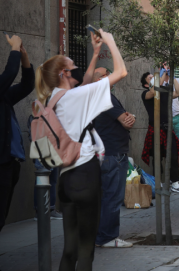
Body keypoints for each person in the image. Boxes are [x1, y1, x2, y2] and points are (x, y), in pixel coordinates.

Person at [34, 29, 127, 270]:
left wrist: (95, 53)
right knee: (86, 253)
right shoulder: (75, 98)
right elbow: (121, 72)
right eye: (72, 65)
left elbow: (84, 83)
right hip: (85, 175)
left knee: (69, 251)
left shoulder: (53, 98)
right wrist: (110, 41)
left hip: (65, 181)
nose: (76, 68)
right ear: (64, 73)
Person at [89, 67, 135, 248]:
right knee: (113, 197)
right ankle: (107, 237)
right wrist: (129, 117)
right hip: (113, 153)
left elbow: (127, 120)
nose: (109, 75)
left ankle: (102, 235)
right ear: (100, 79)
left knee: (107, 196)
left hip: (108, 153)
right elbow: (126, 121)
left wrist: (128, 118)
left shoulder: (97, 96)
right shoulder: (104, 96)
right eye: (105, 73)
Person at [0, 34, 34, 233]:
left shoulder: (4, 97)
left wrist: (24, 57)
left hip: (9, 164)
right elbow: (10, 73)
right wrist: (14, 47)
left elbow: (26, 85)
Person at [140, 71, 179, 194]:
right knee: (157, 158)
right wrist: (162, 73)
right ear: (145, 85)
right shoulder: (146, 93)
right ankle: (158, 182)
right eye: (150, 78)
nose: (154, 79)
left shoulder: (164, 92)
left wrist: (172, 76)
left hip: (168, 128)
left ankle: (175, 182)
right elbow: (154, 90)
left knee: (174, 156)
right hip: (155, 129)